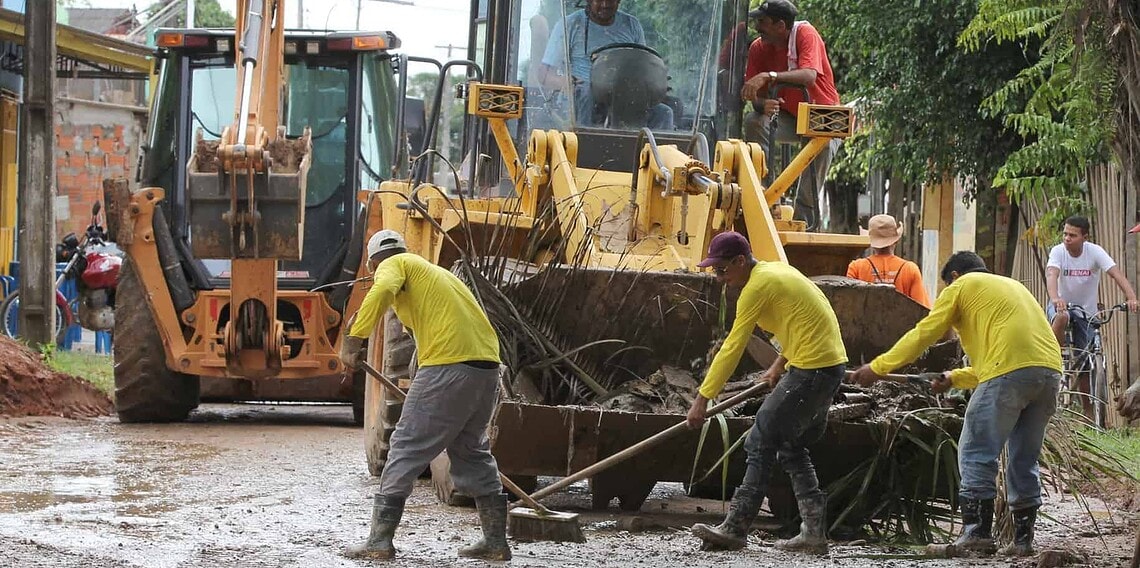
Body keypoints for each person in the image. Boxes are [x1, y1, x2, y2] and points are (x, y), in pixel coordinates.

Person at [850, 251, 1063, 557]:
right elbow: (990, 367)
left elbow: (925, 333)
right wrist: (952, 377)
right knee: (1023, 457)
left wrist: (879, 367)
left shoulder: (961, 287)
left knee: (975, 448)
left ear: (953, 276)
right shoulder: (1009, 288)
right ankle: (1022, 541)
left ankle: (976, 534)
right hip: (1049, 373)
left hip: (1010, 370)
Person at [339, 229, 509, 561]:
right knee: (471, 450)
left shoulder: (394, 264)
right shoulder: (437, 276)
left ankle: (378, 541)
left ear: (374, 262)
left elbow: (382, 289)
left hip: (449, 366)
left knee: (404, 446)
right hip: (486, 369)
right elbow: (424, 332)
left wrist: (354, 338)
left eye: (374, 268)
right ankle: (496, 543)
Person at [687, 231, 846, 555]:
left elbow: (732, 346)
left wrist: (703, 398)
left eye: (722, 270)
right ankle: (813, 533)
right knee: (790, 444)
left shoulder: (756, 287)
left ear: (740, 261)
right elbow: (800, 323)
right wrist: (777, 365)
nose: (720, 279)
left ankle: (735, 527)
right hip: (827, 365)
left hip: (813, 369)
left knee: (759, 438)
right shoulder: (774, 272)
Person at [741, 0, 840, 231]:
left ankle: (804, 221)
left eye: (762, 22)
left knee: (822, 147)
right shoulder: (757, 47)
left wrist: (769, 76)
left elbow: (808, 76)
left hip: (823, 114)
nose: (757, 27)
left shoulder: (806, 33)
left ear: (781, 25)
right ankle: (766, 199)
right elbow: (751, 92)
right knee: (754, 121)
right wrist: (761, 103)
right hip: (788, 115)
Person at [1045, 215, 1140, 417]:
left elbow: (1116, 274)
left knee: (1088, 364)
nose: (1067, 238)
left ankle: (1091, 415)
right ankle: (1053, 358)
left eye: (1072, 235)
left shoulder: (1094, 252)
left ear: (1084, 237)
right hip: (1062, 306)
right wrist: (1055, 298)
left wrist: (1131, 298)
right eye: (1065, 234)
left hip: (1086, 313)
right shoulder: (1058, 252)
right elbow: (1052, 274)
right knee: (1061, 317)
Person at [537, 0, 674, 129]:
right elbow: (545, 74)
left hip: (626, 97)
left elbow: (642, 66)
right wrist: (568, 83)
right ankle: (583, 144)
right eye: (599, 0)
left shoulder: (632, 25)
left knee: (665, 112)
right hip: (582, 97)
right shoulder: (570, 25)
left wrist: (656, 81)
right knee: (587, 93)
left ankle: (657, 151)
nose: (604, 4)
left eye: (610, 0)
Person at [845, 214, 931, 308]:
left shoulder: (856, 268)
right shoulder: (910, 269)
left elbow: (849, 305)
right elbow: (922, 309)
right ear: (896, 241)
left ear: (871, 242)